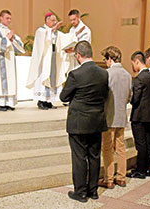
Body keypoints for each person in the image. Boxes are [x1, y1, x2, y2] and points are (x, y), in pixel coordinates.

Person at [60, 41, 108, 203]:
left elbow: (63, 97)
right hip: (97, 121)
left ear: (78, 55)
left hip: (79, 122)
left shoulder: (76, 74)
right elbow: (104, 95)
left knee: (79, 157)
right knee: (94, 156)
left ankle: (80, 192)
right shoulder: (103, 73)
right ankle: (93, 191)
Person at [26, 12, 77, 110]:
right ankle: (41, 101)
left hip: (53, 58)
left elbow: (65, 38)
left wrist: (74, 36)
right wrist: (52, 30)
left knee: (53, 78)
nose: (55, 22)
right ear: (47, 21)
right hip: (44, 60)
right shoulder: (41, 30)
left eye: (55, 20)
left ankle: (49, 101)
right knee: (44, 78)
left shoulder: (56, 32)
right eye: (53, 20)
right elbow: (43, 40)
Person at [98, 46, 132, 189]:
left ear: (110, 59)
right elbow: (129, 96)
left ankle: (109, 179)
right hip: (121, 117)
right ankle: (122, 178)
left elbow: (102, 96)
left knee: (107, 149)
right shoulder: (128, 75)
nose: (105, 62)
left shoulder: (107, 74)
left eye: (106, 59)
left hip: (108, 117)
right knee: (120, 148)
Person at [126, 51, 150, 179]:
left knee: (141, 144)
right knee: (148, 142)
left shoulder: (139, 79)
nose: (133, 66)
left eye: (133, 63)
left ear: (137, 61)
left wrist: (130, 99)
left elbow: (136, 99)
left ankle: (141, 170)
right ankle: (148, 167)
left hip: (139, 116)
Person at [0, 10, 25, 111]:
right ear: (1, 18)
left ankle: (8, 103)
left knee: (10, 81)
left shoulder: (8, 30)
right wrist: (7, 39)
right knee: (0, 81)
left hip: (9, 61)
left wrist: (12, 40)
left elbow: (20, 46)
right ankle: (0, 104)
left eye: (10, 18)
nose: (9, 20)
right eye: (7, 18)